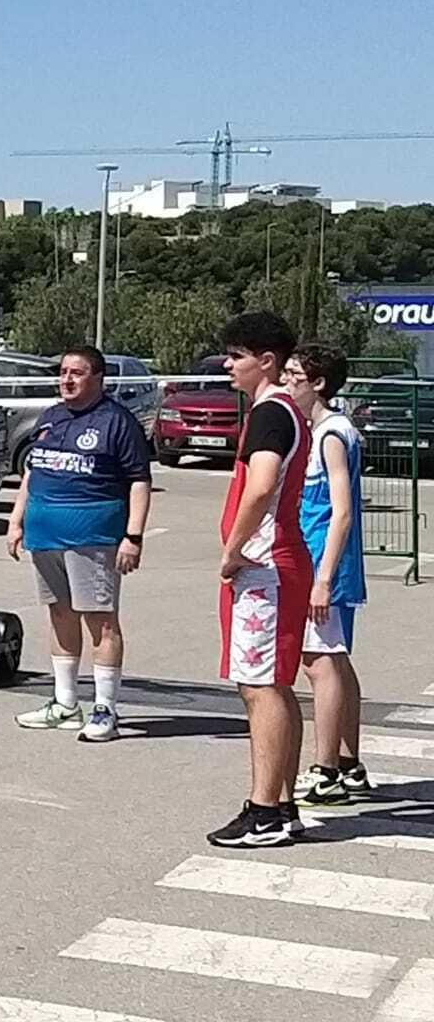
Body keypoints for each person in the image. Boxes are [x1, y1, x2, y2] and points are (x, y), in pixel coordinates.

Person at [8, 345, 153, 742]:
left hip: (93, 536)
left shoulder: (117, 421)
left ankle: (105, 709)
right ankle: (65, 703)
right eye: (63, 372)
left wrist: (133, 537)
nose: (67, 379)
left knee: (100, 620)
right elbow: (33, 471)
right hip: (45, 533)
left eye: (77, 372)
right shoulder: (52, 417)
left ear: (98, 378)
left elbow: (140, 481)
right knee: (60, 614)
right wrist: (17, 519)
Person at [208, 311, 312, 847]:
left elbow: (262, 484)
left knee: (260, 689)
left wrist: (233, 548)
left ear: (265, 361)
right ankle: (283, 802)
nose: (229, 365)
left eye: (237, 356)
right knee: (275, 686)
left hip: (264, 568)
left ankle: (264, 810)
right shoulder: (287, 411)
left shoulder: (272, 413)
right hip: (279, 564)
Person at [285, 343, 370, 805]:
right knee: (334, 661)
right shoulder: (319, 429)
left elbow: (341, 514)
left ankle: (326, 771)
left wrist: (322, 578)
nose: (286, 379)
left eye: (295, 373)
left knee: (319, 664)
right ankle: (349, 764)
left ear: (318, 383)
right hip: (321, 564)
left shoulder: (332, 434)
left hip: (326, 566)